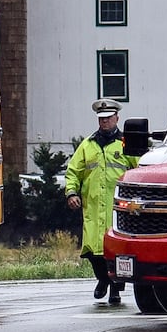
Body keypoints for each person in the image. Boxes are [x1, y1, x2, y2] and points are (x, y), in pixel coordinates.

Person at [65, 98, 139, 304]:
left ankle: (115, 288)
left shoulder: (126, 144)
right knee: (93, 251)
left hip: (119, 208)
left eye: (108, 118)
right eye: (101, 119)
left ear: (117, 118)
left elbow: (141, 170)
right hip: (94, 207)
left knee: (117, 252)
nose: (104, 122)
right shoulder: (88, 145)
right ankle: (102, 280)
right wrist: (71, 193)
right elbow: (73, 172)